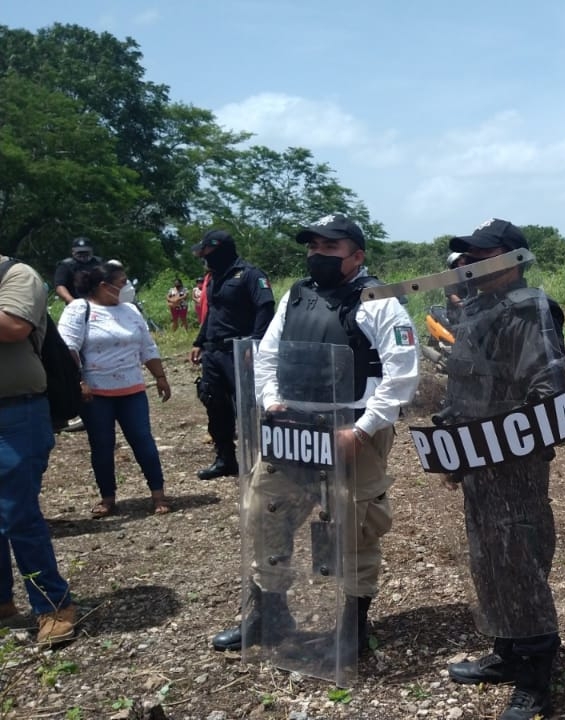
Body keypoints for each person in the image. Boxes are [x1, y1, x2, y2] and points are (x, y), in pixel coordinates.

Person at [211, 213, 419, 660]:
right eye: (313, 248)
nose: (318, 256)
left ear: (356, 256)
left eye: (330, 248)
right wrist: (271, 402)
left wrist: (361, 431)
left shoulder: (381, 303)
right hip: (293, 432)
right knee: (264, 510)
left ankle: (353, 627)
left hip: (352, 431)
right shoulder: (295, 296)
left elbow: (402, 375)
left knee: (354, 524)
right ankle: (269, 614)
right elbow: (267, 355)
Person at [441, 219, 565, 720]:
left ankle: (536, 676)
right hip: (474, 457)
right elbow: (465, 384)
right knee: (487, 557)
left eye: (480, 255)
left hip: (512, 459)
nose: (468, 264)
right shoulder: (476, 311)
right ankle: (508, 652)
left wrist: (496, 439)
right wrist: (451, 441)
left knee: (518, 559)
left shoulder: (530, 309)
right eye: (465, 257)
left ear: (511, 258)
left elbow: (547, 390)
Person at [0, 252, 77, 644]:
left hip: (15, 412)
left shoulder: (16, 275)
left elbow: (13, 326)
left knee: (17, 512)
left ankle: (53, 604)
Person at [59, 263, 172, 518]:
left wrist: (160, 377)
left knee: (143, 441)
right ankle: (108, 498)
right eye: (122, 282)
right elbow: (68, 349)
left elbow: (147, 347)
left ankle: (158, 494)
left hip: (132, 389)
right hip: (96, 393)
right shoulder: (80, 309)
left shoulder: (130, 310)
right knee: (101, 445)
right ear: (103, 286)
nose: (126, 287)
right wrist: (78, 382)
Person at [188, 230, 275, 480]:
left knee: (247, 407)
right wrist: (199, 341)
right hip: (213, 351)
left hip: (239, 351)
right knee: (214, 402)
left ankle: (259, 460)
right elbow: (213, 313)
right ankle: (225, 458)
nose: (204, 258)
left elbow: (265, 308)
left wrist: (255, 345)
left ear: (220, 250)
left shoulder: (250, 275)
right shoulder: (214, 278)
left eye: (207, 253)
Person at [52, 237, 103, 304]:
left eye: (86, 252)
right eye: (79, 252)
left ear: (91, 251)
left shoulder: (99, 263)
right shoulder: (66, 265)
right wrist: (73, 302)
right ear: (73, 252)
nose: (83, 255)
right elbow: (60, 286)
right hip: (76, 301)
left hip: (99, 303)